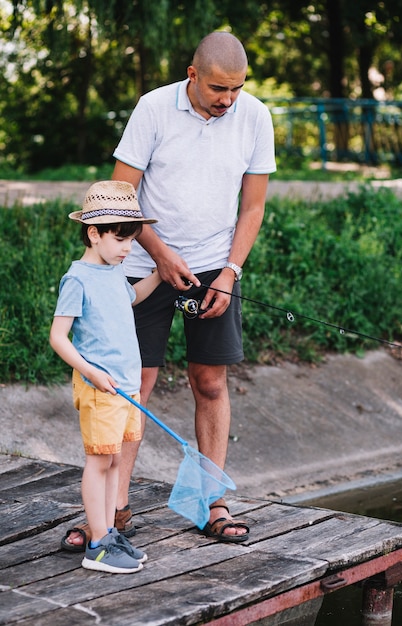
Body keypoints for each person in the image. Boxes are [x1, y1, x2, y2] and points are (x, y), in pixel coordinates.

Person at [63, 30, 276, 547]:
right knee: (132, 388)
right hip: (141, 266)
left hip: (213, 270)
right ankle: (111, 511)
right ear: (192, 75)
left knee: (210, 384)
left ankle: (213, 503)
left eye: (237, 89)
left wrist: (229, 272)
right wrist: (158, 255)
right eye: (218, 89)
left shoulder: (254, 116)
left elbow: (252, 207)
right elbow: (120, 197)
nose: (228, 100)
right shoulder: (153, 109)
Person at [50, 180, 161, 573]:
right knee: (99, 461)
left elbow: (133, 297)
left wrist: (161, 274)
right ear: (94, 233)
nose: (128, 248)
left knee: (114, 460)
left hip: (125, 387)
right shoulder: (77, 278)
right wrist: (91, 371)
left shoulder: (116, 271)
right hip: (100, 387)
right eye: (120, 238)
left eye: (131, 239)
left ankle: (110, 532)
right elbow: (57, 337)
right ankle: (97, 544)